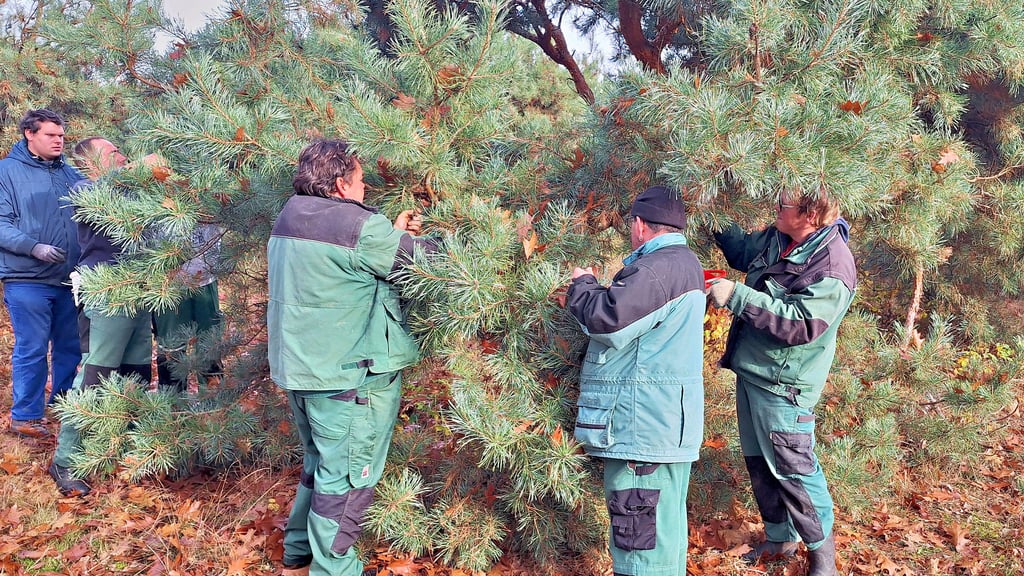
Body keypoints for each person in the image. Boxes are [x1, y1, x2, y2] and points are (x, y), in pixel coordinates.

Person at [267, 139, 435, 576]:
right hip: (348, 377)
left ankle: (299, 551)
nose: (365, 188)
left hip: (301, 370)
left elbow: (358, 262)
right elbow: (426, 263)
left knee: (319, 463)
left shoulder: (290, 215)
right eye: (360, 180)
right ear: (341, 184)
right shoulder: (359, 227)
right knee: (345, 482)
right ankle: (334, 569)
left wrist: (389, 234)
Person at [706, 190, 856, 576]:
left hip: (785, 384)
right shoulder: (782, 237)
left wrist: (737, 296)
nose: (775, 208)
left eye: (783, 205)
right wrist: (710, 214)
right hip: (755, 370)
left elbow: (799, 323)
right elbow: (742, 252)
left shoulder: (831, 265)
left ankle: (823, 559)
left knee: (795, 470)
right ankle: (780, 539)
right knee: (760, 465)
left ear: (810, 214)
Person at [567, 185, 706, 576]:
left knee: (640, 551)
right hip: (663, 428)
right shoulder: (685, 263)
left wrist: (583, 285)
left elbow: (606, 321)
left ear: (641, 226)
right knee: (663, 544)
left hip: (641, 431)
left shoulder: (658, 269)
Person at [49, 137, 153, 497]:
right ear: (92, 162)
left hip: (139, 287)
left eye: (124, 153)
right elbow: (103, 194)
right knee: (97, 374)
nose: (123, 157)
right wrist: (140, 169)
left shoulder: (129, 191)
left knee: (136, 372)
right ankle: (65, 459)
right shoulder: (83, 188)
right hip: (107, 290)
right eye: (114, 154)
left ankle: (116, 447)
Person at [0, 109, 83, 439]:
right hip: (27, 279)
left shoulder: (69, 174)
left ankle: (62, 407)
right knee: (32, 348)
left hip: (69, 279)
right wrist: (33, 247)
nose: (59, 140)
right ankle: (25, 417)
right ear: (29, 134)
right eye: (51, 135)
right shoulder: (7, 172)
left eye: (62, 135)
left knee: (69, 348)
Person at [153, 222, 223, 392]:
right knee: (171, 350)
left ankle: (215, 409)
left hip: (206, 276)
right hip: (167, 283)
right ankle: (173, 409)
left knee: (210, 346)